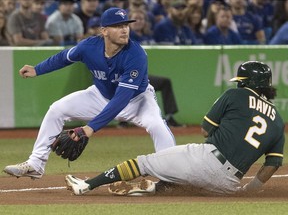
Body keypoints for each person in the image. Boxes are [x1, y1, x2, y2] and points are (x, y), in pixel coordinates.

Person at [64, 61, 285, 196]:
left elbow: (206, 129)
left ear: (246, 83)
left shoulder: (235, 94)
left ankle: (86, 185)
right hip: (228, 183)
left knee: (144, 162)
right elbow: (273, 164)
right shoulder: (277, 120)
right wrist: (249, 191)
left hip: (207, 159)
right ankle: (152, 189)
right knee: (182, 179)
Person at [3, 7, 176, 179]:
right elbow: (63, 58)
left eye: (126, 25)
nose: (124, 29)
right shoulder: (89, 47)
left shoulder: (136, 55)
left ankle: (173, 172)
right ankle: (35, 164)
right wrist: (37, 70)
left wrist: (90, 128)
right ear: (105, 31)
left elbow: (121, 99)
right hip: (99, 95)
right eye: (118, 26)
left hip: (137, 100)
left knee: (157, 126)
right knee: (56, 110)